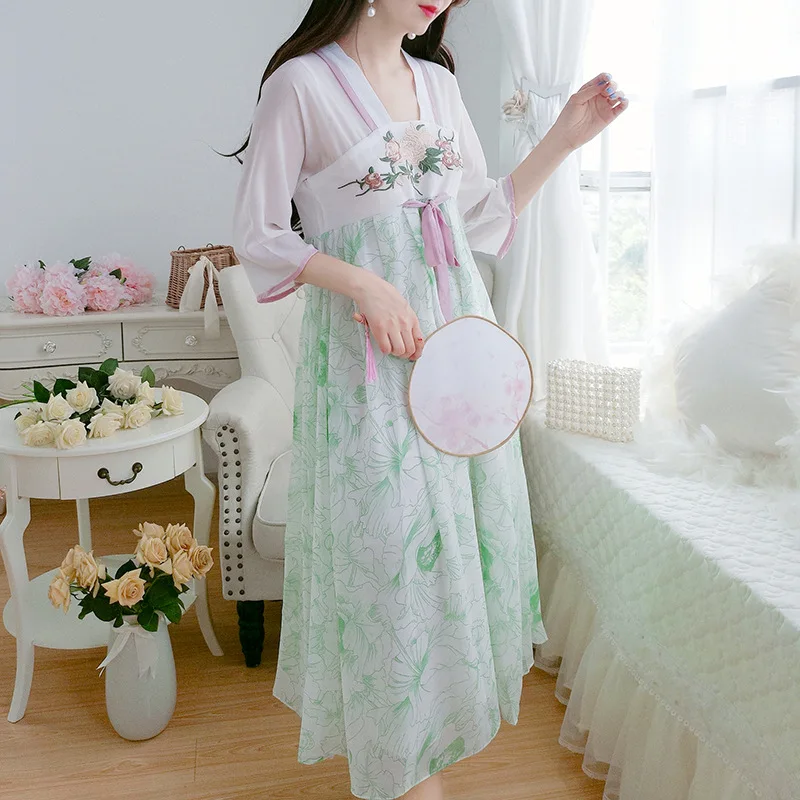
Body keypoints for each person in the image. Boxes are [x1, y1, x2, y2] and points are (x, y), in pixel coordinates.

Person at [229, 2, 627, 798]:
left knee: (453, 555)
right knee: (388, 565)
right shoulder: (300, 86)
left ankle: (423, 769)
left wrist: (564, 138)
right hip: (366, 365)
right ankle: (402, 774)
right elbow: (259, 234)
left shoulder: (438, 84)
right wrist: (362, 283)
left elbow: (476, 213)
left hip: (457, 351)